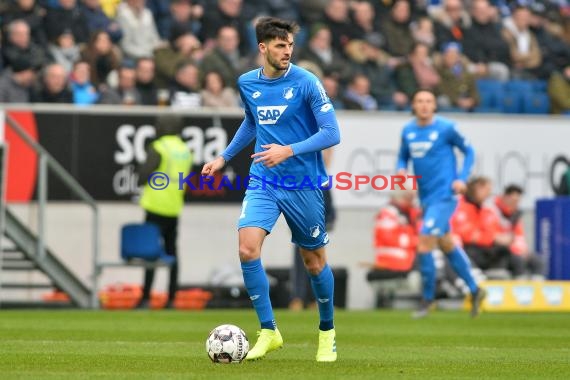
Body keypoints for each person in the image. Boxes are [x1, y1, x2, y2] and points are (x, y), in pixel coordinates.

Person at [201, 17, 340, 362]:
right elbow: (252, 121)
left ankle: (327, 332)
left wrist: (288, 150)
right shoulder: (247, 83)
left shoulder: (307, 82)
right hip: (263, 178)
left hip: (303, 182)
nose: (287, 52)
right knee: (248, 250)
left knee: (314, 262)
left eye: (290, 45)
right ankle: (269, 330)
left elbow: (331, 133)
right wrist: (224, 157)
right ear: (263, 48)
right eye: (280, 46)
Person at [396, 89, 485, 319]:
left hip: (445, 195)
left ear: (434, 106)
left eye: (428, 101)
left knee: (424, 241)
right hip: (426, 197)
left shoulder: (447, 128)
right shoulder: (408, 131)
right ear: (413, 106)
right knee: (446, 244)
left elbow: (470, 151)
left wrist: (461, 178)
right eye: (419, 101)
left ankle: (428, 299)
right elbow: (402, 156)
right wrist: (401, 170)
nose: (424, 105)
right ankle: (475, 291)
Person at [136, 114, 192, 309]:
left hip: (155, 206)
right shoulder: (185, 149)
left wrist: (140, 180)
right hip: (174, 207)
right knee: (172, 253)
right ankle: (171, 298)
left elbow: (143, 175)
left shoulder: (159, 147)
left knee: (149, 253)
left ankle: (145, 298)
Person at [289, 147, 337, 311]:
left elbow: (330, 211)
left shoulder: (323, 182)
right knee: (301, 264)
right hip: (303, 229)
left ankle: (314, 300)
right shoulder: (303, 179)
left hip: (317, 232)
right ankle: (297, 298)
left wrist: (326, 224)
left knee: (318, 264)